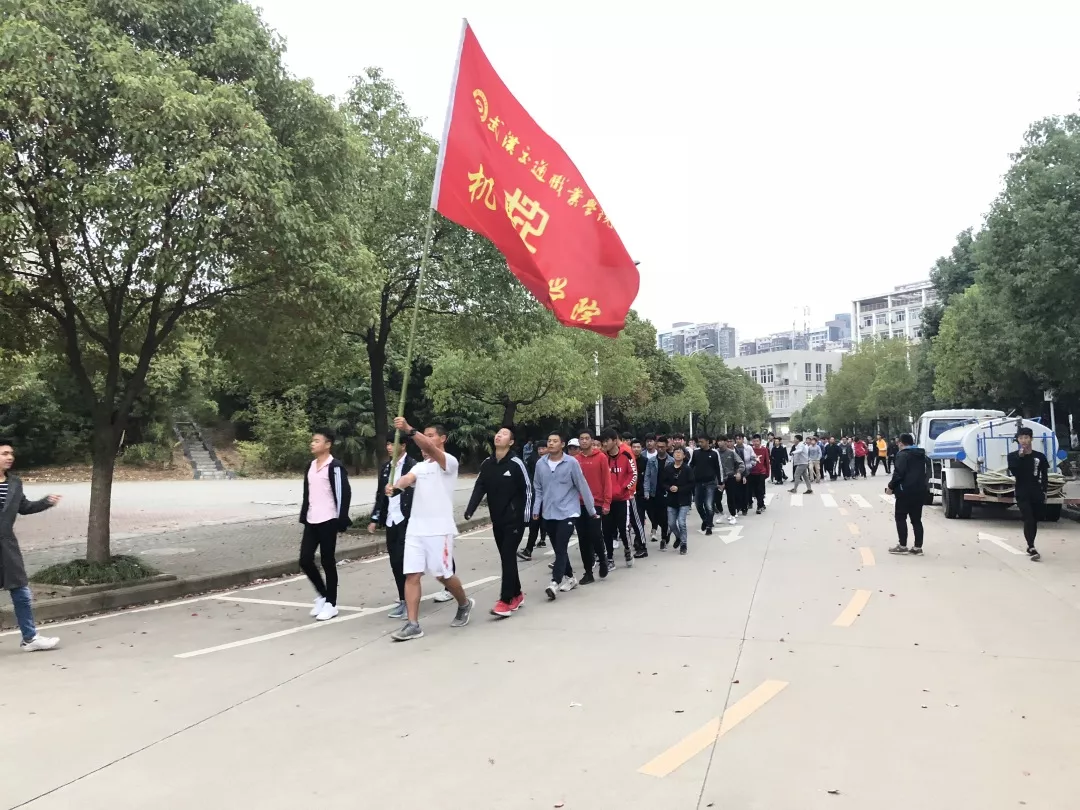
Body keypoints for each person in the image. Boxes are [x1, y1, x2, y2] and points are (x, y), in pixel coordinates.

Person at [386, 418, 474, 641]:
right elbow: (407, 478)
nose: (426, 439)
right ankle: (413, 624)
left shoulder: (449, 463)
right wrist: (396, 487)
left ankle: (464, 603)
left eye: (431, 435)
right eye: (425, 435)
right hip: (415, 529)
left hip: (439, 530)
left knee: (442, 575)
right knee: (412, 574)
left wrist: (409, 429)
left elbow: (429, 448)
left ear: (443, 439)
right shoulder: (420, 466)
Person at [0, 439, 61, 652]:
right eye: (4, 453)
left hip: (7, 547)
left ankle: (30, 638)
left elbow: (24, 507)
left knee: (21, 593)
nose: (10, 457)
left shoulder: (15, 483)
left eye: (11, 453)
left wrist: (45, 502)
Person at [464, 427, 531, 616]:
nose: (499, 435)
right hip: (497, 520)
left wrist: (526, 517)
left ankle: (506, 600)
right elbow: (480, 486)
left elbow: (528, 489)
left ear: (511, 442)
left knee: (508, 556)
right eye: (498, 433)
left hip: (514, 520)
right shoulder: (487, 463)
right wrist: (470, 510)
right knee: (506, 558)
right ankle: (517, 594)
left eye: (504, 434)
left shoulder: (516, 463)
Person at [532, 431, 597, 599]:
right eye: (549, 441)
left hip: (568, 511)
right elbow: (538, 488)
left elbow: (582, 486)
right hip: (549, 512)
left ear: (562, 444)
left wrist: (591, 510)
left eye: (555, 441)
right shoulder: (540, 464)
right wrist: (536, 509)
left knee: (561, 547)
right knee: (558, 548)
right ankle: (570, 577)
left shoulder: (571, 463)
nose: (551, 443)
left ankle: (554, 582)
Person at [299, 429, 353, 622]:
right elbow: (308, 494)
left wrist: (341, 519)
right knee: (305, 560)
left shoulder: (335, 466)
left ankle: (331, 603)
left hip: (329, 519)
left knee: (327, 561)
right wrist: (304, 515)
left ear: (328, 444)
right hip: (312, 519)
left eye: (317, 441)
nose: (312, 444)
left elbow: (343, 493)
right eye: (312, 441)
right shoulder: (310, 466)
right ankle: (322, 594)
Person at [369, 432, 417, 620]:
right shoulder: (386, 467)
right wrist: (375, 518)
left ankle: (411, 601)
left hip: (407, 519)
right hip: (391, 519)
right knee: (395, 561)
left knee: (406, 561)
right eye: (387, 444)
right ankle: (403, 599)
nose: (389, 447)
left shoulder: (413, 466)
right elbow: (380, 495)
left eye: (392, 443)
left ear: (403, 445)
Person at [601, 428, 645, 564]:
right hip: (606, 500)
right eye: (603, 441)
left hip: (623, 499)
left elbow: (633, 474)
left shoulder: (626, 454)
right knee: (606, 530)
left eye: (607, 441)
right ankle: (609, 558)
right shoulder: (602, 457)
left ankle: (627, 548)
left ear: (615, 441)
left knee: (624, 528)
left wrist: (624, 488)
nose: (604, 444)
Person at [1008, 427, 1049, 562]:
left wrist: (1045, 490)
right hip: (1022, 491)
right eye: (1021, 438)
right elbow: (1015, 472)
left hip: (1037, 491)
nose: (1024, 440)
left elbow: (1044, 475)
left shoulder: (1039, 456)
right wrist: (1020, 457)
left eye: (1026, 437)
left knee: (1035, 519)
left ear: (1031, 439)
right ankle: (1031, 547)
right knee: (1028, 518)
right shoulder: (1013, 456)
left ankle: (1031, 544)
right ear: (1018, 440)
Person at [575, 429, 612, 581]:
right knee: (583, 538)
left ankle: (603, 560)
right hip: (579, 504)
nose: (584, 441)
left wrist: (607, 502)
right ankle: (588, 572)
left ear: (591, 440)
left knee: (595, 534)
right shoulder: (575, 460)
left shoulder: (601, 457)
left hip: (596, 503)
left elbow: (607, 481)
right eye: (581, 438)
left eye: (587, 438)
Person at [886, 433, 928, 555]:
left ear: (901, 443)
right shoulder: (922, 455)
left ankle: (902, 545)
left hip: (904, 491)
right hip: (920, 491)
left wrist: (890, 487)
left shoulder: (902, 455)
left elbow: (898, 473)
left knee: (900, 517)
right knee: (916, 520)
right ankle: (918, 547)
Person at [660, 446, 693, 554]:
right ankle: (678, 536)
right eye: (676, 452)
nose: (678, 454)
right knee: (671, 523)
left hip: (684, 500)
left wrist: (679, 489)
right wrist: (669, 488)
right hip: (671, 500)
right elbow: (663, 483)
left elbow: (691, 484)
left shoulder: (687, 469)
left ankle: (683, 544)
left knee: (681, 522)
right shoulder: (668, 468)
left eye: (680, 452)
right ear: (673, 455)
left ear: (684, 455)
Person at [519, 444, 549, 560]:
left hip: (552, 500)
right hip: (537, 497)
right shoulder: (535, 461)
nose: (541, 450)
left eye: (543, 448)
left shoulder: (557, 461)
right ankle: (528, 550)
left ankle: (562, 558)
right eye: (539, 449)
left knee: (552, 528)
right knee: (534, 524)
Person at [644, 436, 673, 546]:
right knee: (653, 515)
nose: (660, 449)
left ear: (666, 447)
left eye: (663, 447)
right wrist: (646, 491)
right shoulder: (651, 461)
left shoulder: (671, 461)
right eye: (659, 447)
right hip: (653, 492)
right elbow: (647, 476)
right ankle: (665, 530)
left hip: (666, 492)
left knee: (664, 516)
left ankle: (664, 538)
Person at [688, 434, 720, 534]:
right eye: (699, 442)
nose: (700, 443)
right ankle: (705, 520)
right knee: (698, 504)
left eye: (702, 442)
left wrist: (721, 482)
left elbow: (718, 468)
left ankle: (709, 526)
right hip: (698, 483)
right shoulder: (696, 453)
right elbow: (691, 465)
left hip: (710, 483)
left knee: (709, 505)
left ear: (707, 442)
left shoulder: (714, 453)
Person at [716, 437, 745, 525]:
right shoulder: (715, 453)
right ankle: (721, 514)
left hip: (730, 478)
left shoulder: (731, 453)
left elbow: (741, 464)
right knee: (716, 498)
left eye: (721, 441)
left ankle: (733, 515)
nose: (719, 443)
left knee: (730, 498)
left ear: (725, 442)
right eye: (718, 441)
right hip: (718, 479)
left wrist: (738, 472)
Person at [733, 434, 757, 516]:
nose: (738, 440)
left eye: (739, 439)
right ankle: (738, 506)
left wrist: (752, 464)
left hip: (747, 472)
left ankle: (744, 507)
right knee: (737, 491)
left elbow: (753, 457)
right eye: (736, 439)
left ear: (743, 440)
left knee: (745, 491)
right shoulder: (733, 449)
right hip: (736, 472)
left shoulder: (748, 448)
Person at [748, 434, 770, 514]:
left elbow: (767, 462)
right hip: (752, 472)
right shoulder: (750, 449)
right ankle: (762, 504)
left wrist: (767, 473)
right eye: (754, 441)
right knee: (755, 491)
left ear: (760, 441)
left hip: (761, 472)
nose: (756, 443)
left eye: (757, 441)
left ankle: (759, 506)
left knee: (760, 489)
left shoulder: (764, 449)